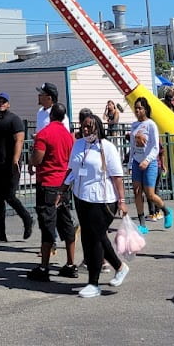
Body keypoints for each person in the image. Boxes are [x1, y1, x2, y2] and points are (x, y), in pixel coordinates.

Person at [68, 112, 130, 298]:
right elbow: (73, 170)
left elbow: (116, 175)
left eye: (90, 126)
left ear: (98, 126)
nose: (86, 129)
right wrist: (63, 189)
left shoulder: (107, 147)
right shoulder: (78, 145)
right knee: (90, 237)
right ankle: (119, 267)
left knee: (95, 236)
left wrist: (122, 200)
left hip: (103, 199)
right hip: (82, 197)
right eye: (83, 126)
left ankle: (94, 283)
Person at [27, 102, 77, 282]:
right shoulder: (67, 136)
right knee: (66, 223)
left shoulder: (44, 134)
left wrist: (30, 161)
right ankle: (71, 264)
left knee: (47, 225)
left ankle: (44, 267)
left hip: (47, 183)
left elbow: (38, 158)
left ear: (50, 116)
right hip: (63, 184)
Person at [0, 93, 33, 242]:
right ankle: (0, 233)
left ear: (9, 104)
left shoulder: (15, 120)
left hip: (11, 165)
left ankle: (27, 219)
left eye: (4, 102)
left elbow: (19, 140)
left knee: (10, 196)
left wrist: (15, 160)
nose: (1, 104)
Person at [128, 97, 173, 234]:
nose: (137, 110)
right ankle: (142, 224)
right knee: (137, 192)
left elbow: (155, 147)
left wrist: (147, 160)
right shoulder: (134, 125)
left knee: (150, 194)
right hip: (136, 161)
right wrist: (130, 163)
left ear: (145, 109)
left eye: (140, 108)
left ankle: (166, 211)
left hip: (150, 163)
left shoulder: (151, 125)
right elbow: (132, 147)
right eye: (136, 108)